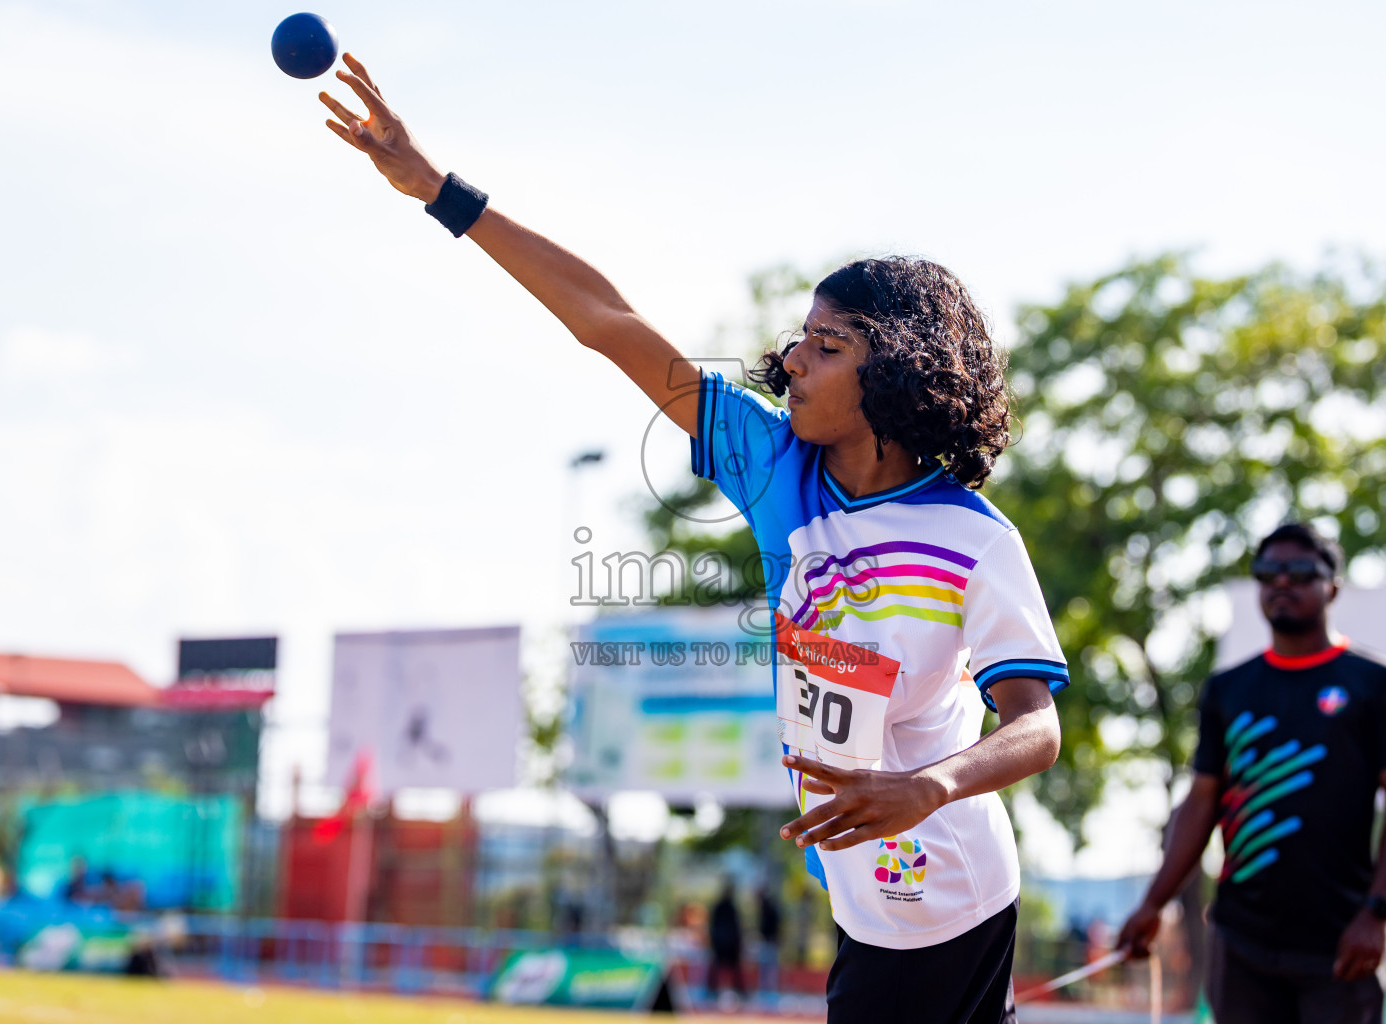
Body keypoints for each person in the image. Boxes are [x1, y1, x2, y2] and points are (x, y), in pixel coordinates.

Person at [320, 53, 1069, 1023]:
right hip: (862, 887)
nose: (793, 358)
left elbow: (1036, 728)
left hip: (947, 884)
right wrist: (438, 190)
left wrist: (922, 790)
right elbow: (607, 321)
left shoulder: (975, 540)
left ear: (899, 374)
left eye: (828, 346)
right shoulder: (774, 466)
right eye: (801, 336)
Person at [1117, 522, 1386, 1024]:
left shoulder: (1379, 684)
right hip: (1240, 940)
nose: (1282, 582)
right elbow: (1201, 803)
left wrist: (1377, 912)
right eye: (1268, 572)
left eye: (1301, 571)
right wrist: (1155, 902)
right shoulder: (1228, 689)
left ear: (1333, 586)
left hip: (1339, 941)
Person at [708, 881, 747, 1002]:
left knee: (732, 969)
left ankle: (740, 992)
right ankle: (712, 991)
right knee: (719, 967)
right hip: (725, 944)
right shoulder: (724, 907)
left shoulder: (727, 907)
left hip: (726, 944)